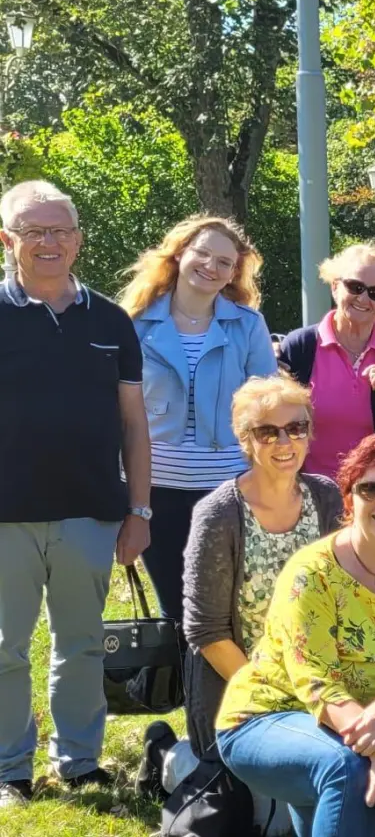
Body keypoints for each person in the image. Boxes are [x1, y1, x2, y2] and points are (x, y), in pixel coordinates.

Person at [214, 432, 375, 837]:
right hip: (265, 719)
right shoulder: (313, 572)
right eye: (370, 489)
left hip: (353, 731)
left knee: (349, 784)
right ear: (349, 499)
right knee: (351, 771)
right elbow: (316, 681)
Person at [0, 181, 151, 804]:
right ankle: (9, 770)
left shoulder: (111, 320)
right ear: (7, 240)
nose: (49, 242)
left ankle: (79, 762)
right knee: (5, 651)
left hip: (91, 511)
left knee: (83, 645)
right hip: (5, 517)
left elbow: (134, 423)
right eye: (33, 231)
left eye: (60, 230)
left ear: (79, 240)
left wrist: (139, 510)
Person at [121, 215, 277, 621]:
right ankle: (178, 666)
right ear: (178, 255)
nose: (211, 266)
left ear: (233, 273)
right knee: (177, 609)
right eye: (203, 254)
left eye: (224, 262)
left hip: (228, 490)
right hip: (155, 491)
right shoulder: (134, 322)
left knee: (229, 608)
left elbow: (268, 408)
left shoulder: (248, 325)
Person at [182, 375, 344, 764]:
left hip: (323, 683)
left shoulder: (326, 496)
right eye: (267, 432)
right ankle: (171, 758)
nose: (285, 442)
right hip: (246, 692)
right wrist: (277, 694)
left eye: (296, 428)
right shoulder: (218, 515)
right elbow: (207, 632)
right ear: (246, 440)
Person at [277, 243, 375, 476]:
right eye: (355, 287)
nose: (363, 298)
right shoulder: (300, 347)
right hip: (311, 490)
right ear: (335, 287)